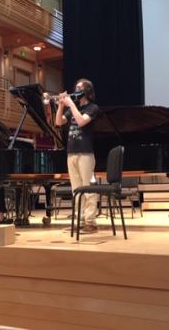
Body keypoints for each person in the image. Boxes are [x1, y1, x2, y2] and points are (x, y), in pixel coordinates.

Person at [55, 79, 100, 234]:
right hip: (71, 153)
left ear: (87, 91)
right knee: (76, 190)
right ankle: (79, 221)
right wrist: (61, 105)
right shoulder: (72, 109)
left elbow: (81, 122)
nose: (76, 89)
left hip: (85, 153)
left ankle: (91, 222)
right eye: (75, 87)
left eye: (79, 88)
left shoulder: (93, 108)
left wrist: (71, 104)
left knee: (88, 189)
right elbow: (58, 122)